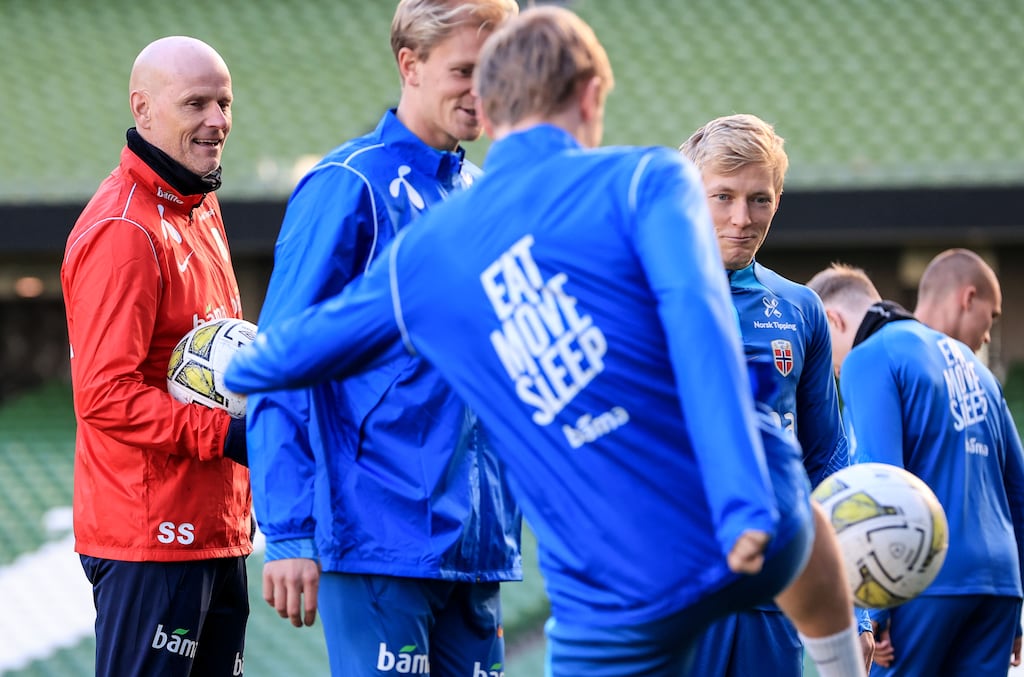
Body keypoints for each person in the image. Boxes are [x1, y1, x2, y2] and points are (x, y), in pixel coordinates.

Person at [226, 7, 867, 676]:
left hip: (612, 589)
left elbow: (297, 348)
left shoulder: (429, 252)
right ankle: (842, 665)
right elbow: (701, 327)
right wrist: (739, 497)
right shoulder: (650, 177)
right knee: (794, 505)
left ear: (492, 109)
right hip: (748, 521)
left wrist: (240, 366)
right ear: (591, 96)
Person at [245, 1, 522, 675]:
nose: (483, 90)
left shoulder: (486, 196)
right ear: (410, 64)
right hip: (377, 538)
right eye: (465, 69)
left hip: (476, 546)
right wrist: (286, 530)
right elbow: (281, 358)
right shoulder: (348, 184)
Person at [60, 36, 251, 677]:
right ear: (144, 111)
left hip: (216, 530)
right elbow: (104, 394)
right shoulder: (125, 231)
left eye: (224, 103)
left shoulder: (199, 204)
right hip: (151, 541)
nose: (217, 121)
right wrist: (227, 434)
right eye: (196, 103)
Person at [680, 114, 874, 675]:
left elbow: (828, 462)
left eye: (759, 200)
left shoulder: (800, 310)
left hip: (775, 593)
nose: (742, 219)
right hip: (680, 591)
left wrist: (853, 610)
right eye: (722, 196)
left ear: (778, 198)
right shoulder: (645, 297)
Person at [807, 262, 1024, 677]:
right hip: (999, 586)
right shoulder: (974, 362)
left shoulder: (867, 358)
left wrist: (876, 614)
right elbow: (1018, 490)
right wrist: (1014, 608)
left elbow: (880, 485)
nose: (828, 369)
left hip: (922, 580)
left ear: (832, 320)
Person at [914, 247, 1002, 352]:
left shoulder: (892, 346)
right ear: (969, 298)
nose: (987, 338)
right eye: (992, 315)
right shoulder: (973, 367)